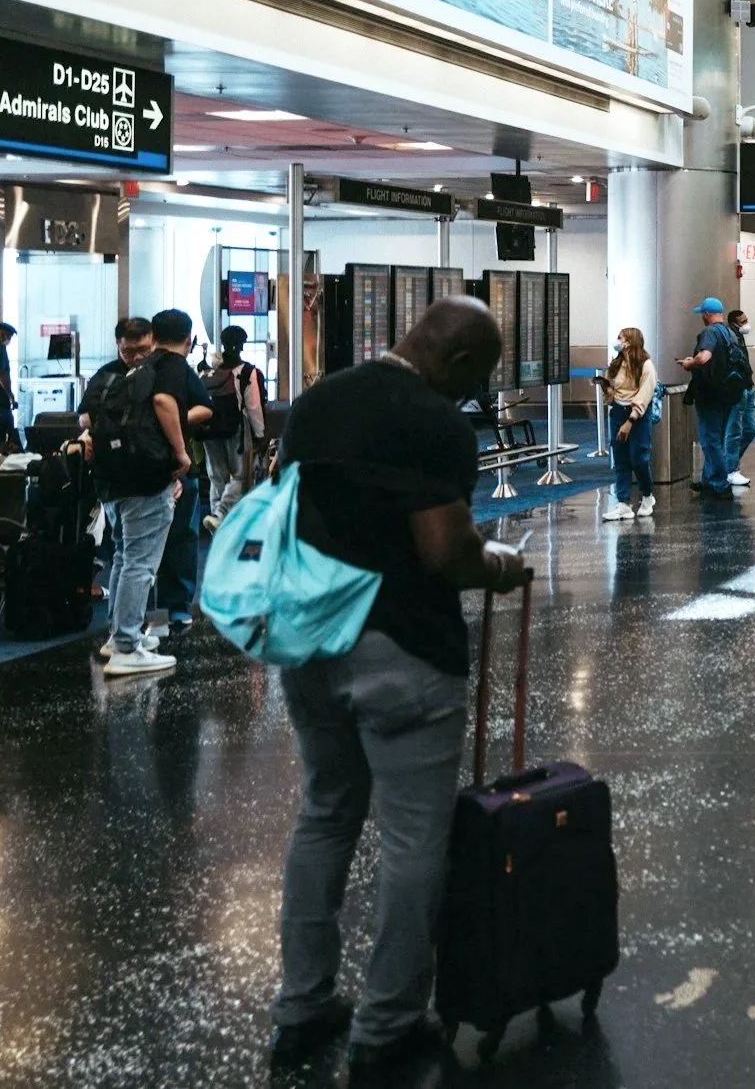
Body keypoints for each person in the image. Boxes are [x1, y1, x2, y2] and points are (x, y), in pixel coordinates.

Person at [267, 297, 527, 1076]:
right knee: (416, 840)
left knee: (324, 815)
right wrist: (499, 569)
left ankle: (302, 1005)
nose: (471, 394)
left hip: (308, 638)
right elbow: (444, 549)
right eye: (475, 378)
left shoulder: (317, 401)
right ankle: (387, 1023)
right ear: (454, 362)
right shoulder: (432, 421)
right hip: (400, 648)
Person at [77, 317, 182, 676]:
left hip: (110, 480)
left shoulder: (103, 377)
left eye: (141, 349)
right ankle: (127, 644)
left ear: (152, 340)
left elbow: (85, 422)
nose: (136, 356)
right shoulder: (157, 373)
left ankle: (117, 635)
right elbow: (167, 408)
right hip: (145, 479)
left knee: (124, 555)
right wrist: (180, 455)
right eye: (129, 349)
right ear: (118, 344)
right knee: (139, 561)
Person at [144, 310, 217, 636]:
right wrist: (176, 434)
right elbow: (204, 408)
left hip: (136, 469)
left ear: (153, 337)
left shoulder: (138, 368)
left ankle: (135, 615)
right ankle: (177, 608)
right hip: (174, 466)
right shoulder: (180, 370)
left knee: (133, 549)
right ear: (189, 340)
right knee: (182, 538)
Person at [676, 298, 745, 496]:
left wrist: (690, 363)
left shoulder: (710, 332)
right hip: (727, 393)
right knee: (718, 437)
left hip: (710, 393)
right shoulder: (729, 333)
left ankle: (720, 483)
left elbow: (704, 356)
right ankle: (709, 479)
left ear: (706, 314)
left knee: (709, 440)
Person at [201, 325, 269, 525]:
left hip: (211, 429)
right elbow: (254, 406)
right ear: (242, 345)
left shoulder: (211, 371)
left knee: (216, 475)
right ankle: (222, 514)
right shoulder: (247, 371)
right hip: (237, 429)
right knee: (239, 476)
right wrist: (260, 435)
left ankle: (216, 517)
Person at [600, 326, 657, 521]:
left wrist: (630, 420)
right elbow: (612, 387)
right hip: (617, 411)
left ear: (630, 342)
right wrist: (606, 389)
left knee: (639, 457)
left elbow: (644, 395)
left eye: (620, 338)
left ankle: (647, 495)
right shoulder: (616, 364)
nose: (617, 341)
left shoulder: (646, 366)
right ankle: (623, 503)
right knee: (621, 459)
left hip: (637, 416)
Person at [723, 309, 755, 487]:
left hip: (748, 387)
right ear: (733, 323)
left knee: (751, 429)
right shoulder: (730, 338)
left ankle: (729, 463)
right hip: (738, 389)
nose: (746, 324)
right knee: (734, 430)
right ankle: (730, 469)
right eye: (742, 321)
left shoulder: (739, 337)